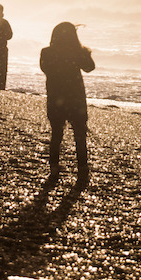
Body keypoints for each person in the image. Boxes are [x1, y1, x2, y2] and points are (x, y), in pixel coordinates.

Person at [40, 22, 95, 184]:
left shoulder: (47, 52)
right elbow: (90, 68)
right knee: (79, 135)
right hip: (75, 98)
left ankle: (54, 168)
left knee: (56, 134)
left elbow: (46, 69)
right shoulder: (77, 52)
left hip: (56, 97)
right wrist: (85, 52)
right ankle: (83, 170)